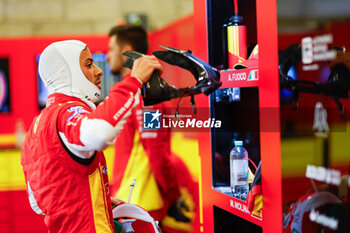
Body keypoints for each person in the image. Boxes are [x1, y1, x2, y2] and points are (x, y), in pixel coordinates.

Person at [21, 39, 162, 232]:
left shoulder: (37, 125)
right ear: (66, 72)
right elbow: (102, 132)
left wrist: (97, 200)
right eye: (88, 64)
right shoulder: (68, 112)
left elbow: (38, 202)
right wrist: (134, 81)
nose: (99, 70)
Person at [107, 24, 198, 233]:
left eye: (111, 49)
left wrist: (173, 197)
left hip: (140, 203)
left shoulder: (148, 98)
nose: (108, 55)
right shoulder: (129, 94)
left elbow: (156, 153)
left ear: (126, 50)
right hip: (131, 200)